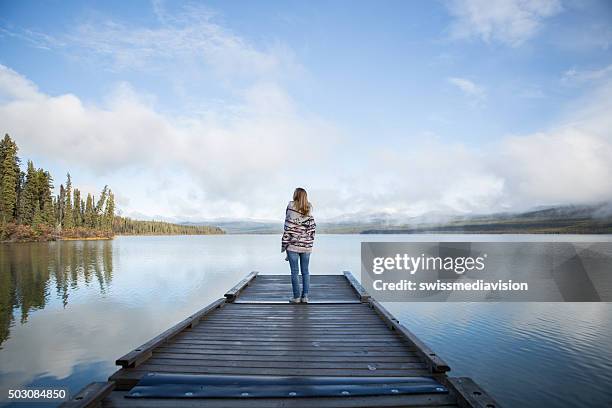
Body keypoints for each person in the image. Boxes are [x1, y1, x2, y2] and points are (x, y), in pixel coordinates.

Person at [281, 187, 316, 304]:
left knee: (294, 272)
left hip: (293, 245)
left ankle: (296, 297)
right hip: (306, 246)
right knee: (305, 271)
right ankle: (305, 297)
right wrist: (309, 242)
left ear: (295, 195)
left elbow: (287, 227)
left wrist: (284, 245)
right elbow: (312, 228)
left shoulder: (291, 207)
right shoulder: (309, 208)